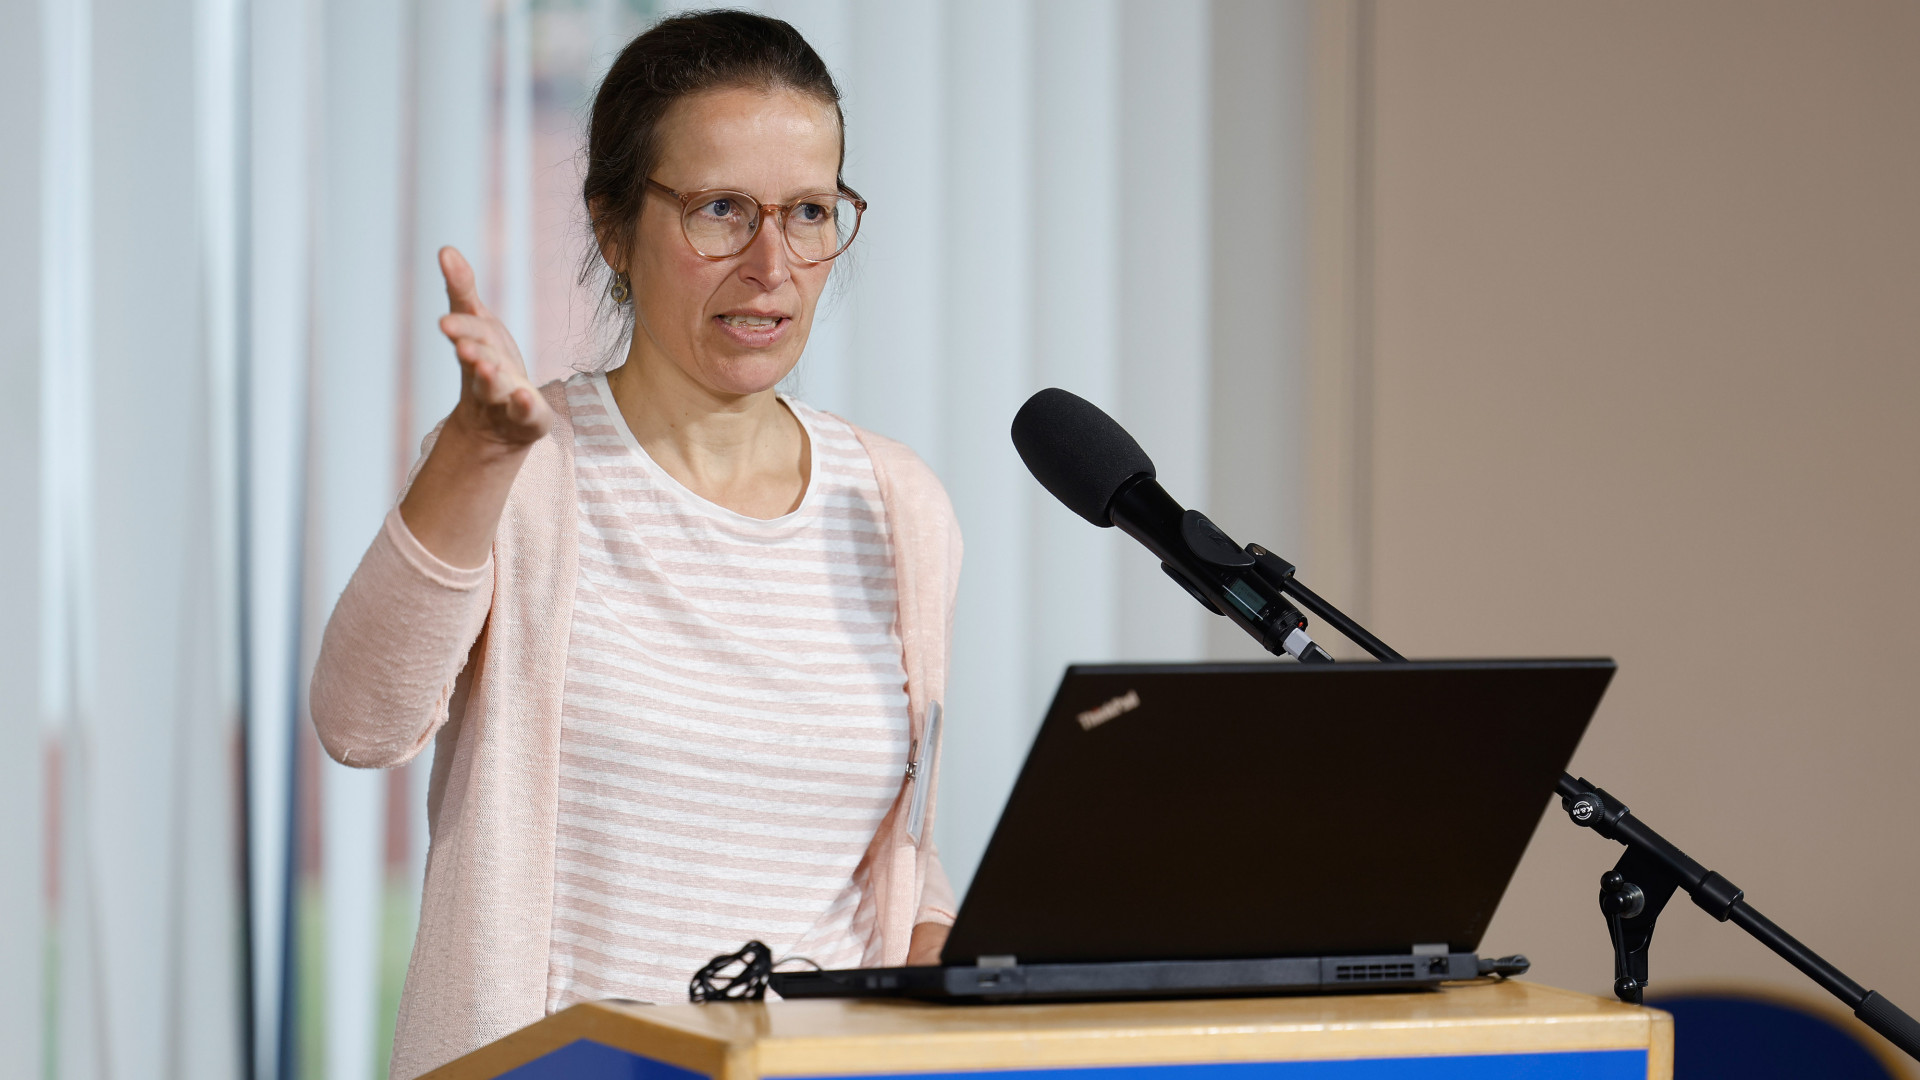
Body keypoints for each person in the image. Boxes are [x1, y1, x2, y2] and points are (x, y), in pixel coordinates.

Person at [310, 12, 959, 1078]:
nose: (771, 264)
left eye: (808, 212)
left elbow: (891, 849)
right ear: (613, 227)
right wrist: (475, 453)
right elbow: (358, 723)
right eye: (719, 210)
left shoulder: (898, 505)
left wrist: (948, 955)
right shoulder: (523, 465)